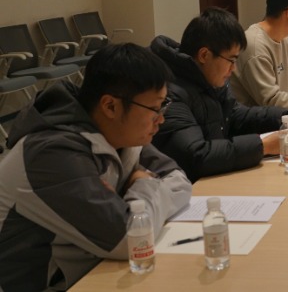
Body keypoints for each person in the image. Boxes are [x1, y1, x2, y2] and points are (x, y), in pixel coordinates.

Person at [0, 44, 192, 291]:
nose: (161, 119)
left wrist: (129, 204)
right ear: (110, 106)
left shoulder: (122, 136)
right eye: (155, 109)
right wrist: (143, 182)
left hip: (91, 271)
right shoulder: (52, 154)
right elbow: (130, 239)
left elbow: (179, 180)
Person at [151, 8, 288, 182]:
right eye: (231, 60)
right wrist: (262, 146)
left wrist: (285, 118)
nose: (233, 68)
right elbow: (196, 156)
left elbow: (236, 115)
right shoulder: (169, 94)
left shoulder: (210, 79)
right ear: (204, 55)